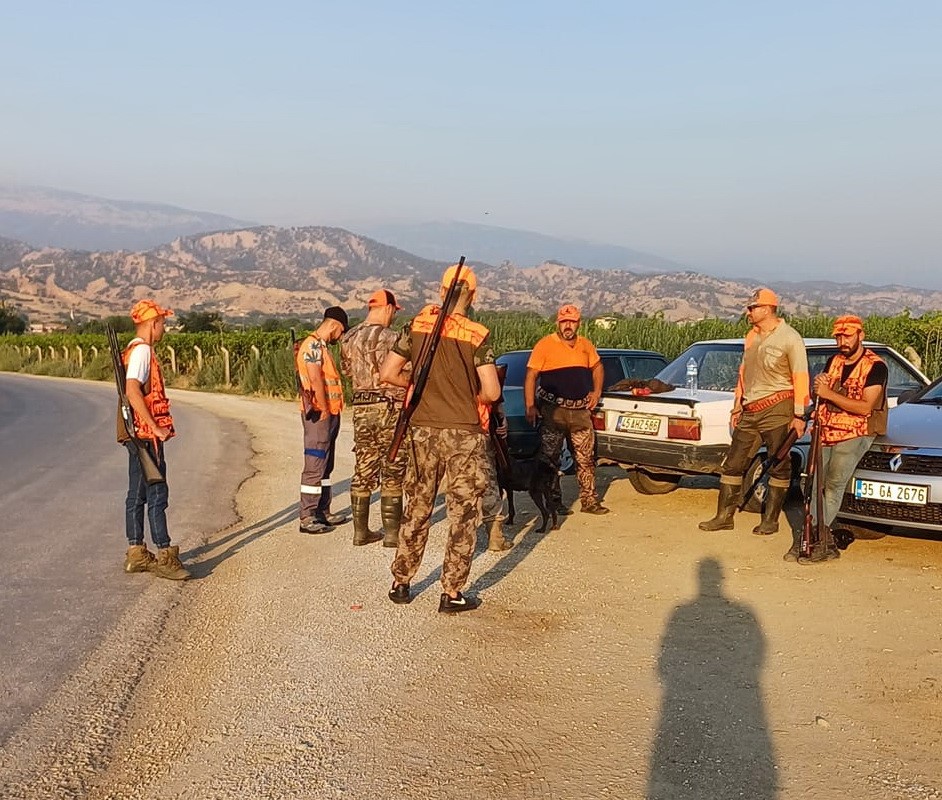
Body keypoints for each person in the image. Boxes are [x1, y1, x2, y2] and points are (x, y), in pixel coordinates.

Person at [380, 263, 501, 613]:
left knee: (417, 507)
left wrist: (415, 386)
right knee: (462, 514)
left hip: (421, 430)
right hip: (464, 433)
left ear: (440, 290)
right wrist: (468, 396)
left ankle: (401, 582)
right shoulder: (476, 334)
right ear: (472, 295)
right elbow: (491, 392)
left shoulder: (415, 326)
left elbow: (388, 373)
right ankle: (451, 593)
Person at [699, 288, 810, 534]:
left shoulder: (790, 338)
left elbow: (800, 376)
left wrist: (800, 415)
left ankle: (770, 520)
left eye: (753, 307)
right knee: (733, 463)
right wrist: (737, 404)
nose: (748, 312)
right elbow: (743, 373)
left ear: (768, 308)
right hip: (750, 408)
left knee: (779, 463)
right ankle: (723, 517)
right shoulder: (751, 337)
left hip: (778, 406)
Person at [787, 315, 888, 564]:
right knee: (810, 486)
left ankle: (813, 539)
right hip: (825, 430)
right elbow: (820, 394)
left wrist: (828, 392)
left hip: (855, 432)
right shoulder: (833, 361)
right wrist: (817, 387)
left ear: (860, 335)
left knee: (833, 485)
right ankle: (816, 536)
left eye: (847, 335)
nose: (842, 340)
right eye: (839, 336)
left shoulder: (876, 366)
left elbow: (865, 407)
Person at [120, 299, 190, 580]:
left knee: (137, 496)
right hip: (146, 436)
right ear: (152, 324)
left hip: (139, 434)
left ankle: (136, 553)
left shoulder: (134, 349)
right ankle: (165, 555)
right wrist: (154, 427)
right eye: (162, 323)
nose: (164, 328)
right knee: (157, 494)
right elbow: (133, 391)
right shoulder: (143, 352)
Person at [339, 289, 410, 547]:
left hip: (361, 409)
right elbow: (407, 372)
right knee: (393, 465)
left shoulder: (348, 338)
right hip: (390, 407)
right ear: (388, 308)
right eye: (394, 310)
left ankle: (361, 531)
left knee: (363, 466)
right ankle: (392, 534)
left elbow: (347, 371)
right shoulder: (394, 338)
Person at [524, 303, 609, 515]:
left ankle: (589, 501)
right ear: (558, 323)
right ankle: (554, 503)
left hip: (580, 411)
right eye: (564, 322)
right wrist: (530, 405)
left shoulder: (586, 345)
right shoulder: (544, 345)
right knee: (551, 458)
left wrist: (596, 392)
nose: (567, 326)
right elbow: (531, 376)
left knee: (585, 458)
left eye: (571, 321)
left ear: (579, 323)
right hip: (553, 410)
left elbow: (598, 367)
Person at [295, 306, 350, 534]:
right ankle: (307, 516)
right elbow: (316, 379)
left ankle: (323, 511)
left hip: (330, 414)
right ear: (335, 325)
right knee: (315, 465)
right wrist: (325, 410)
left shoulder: (321, 347)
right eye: (341, 331)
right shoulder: (313, 345)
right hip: (320, 415)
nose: (340, 336)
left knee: (326, 465)